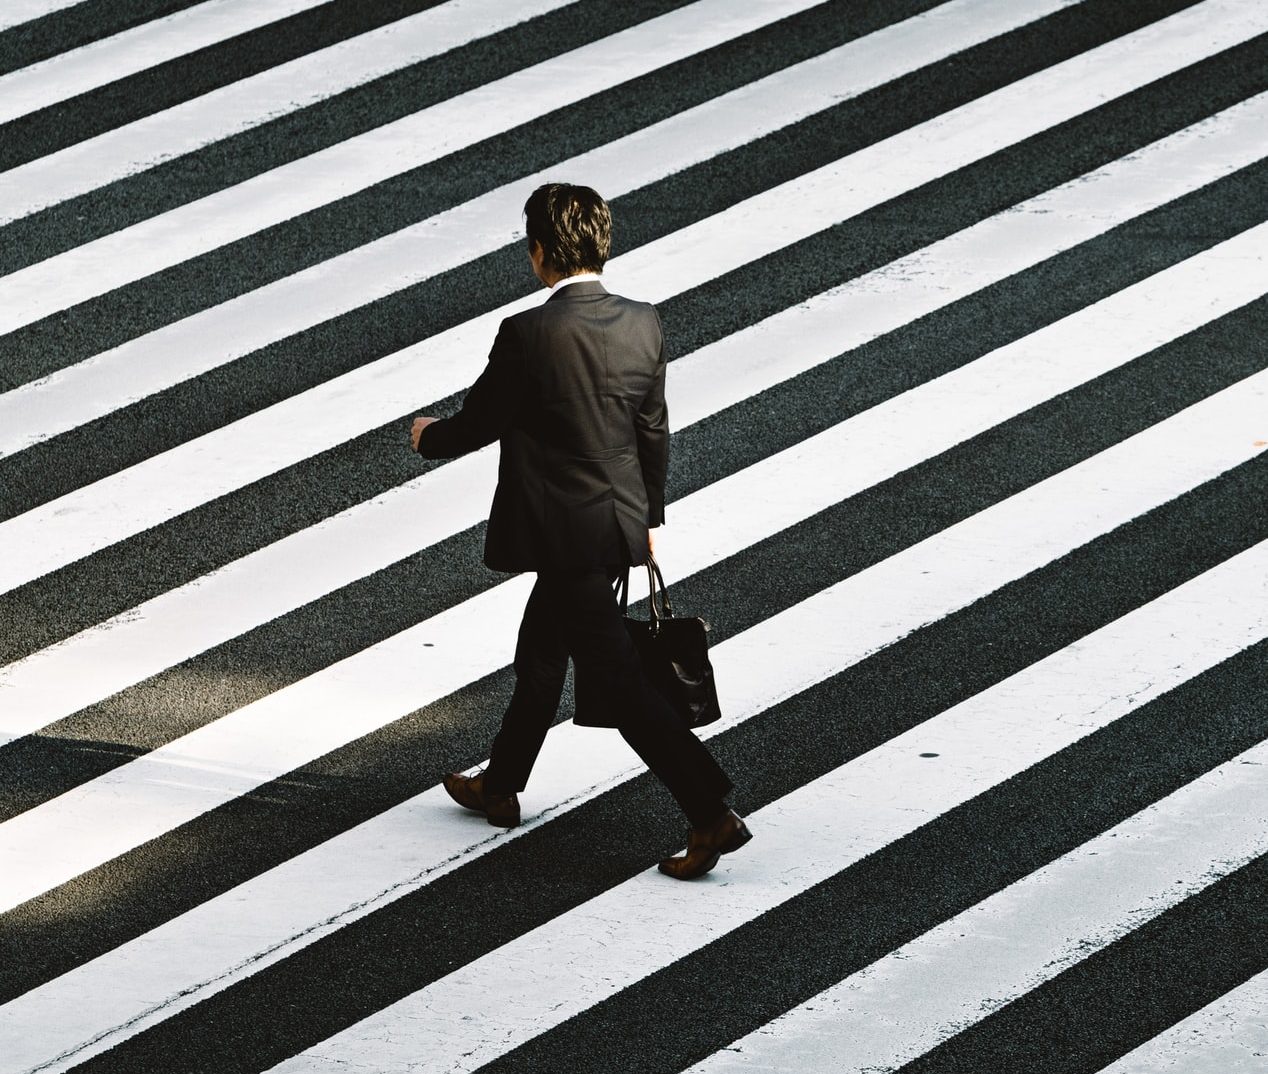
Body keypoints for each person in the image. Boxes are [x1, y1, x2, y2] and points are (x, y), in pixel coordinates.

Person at [411, 182, 749, 880]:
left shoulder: (529, 334)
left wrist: (425, 437)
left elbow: (479, 424)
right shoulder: (643, 323)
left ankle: (710, 812)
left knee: (621, 685)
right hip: (613, 522)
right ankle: (501, 782)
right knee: (541, 652)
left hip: (559, 532)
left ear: (539, 254)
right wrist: (646, 518)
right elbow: (651, 429)